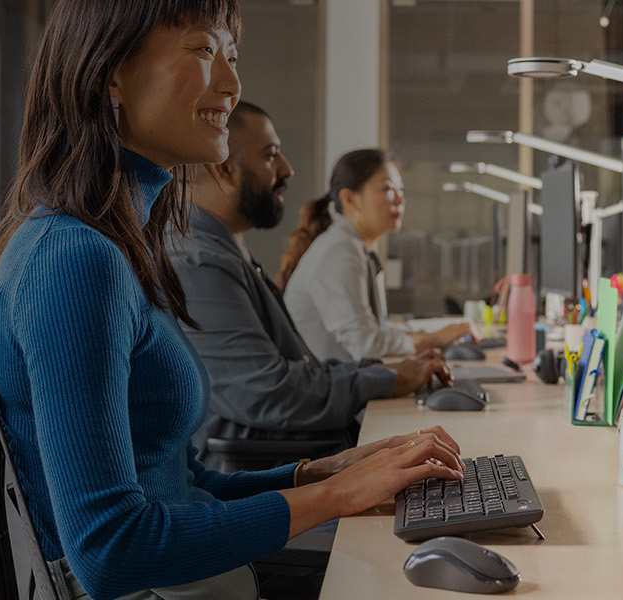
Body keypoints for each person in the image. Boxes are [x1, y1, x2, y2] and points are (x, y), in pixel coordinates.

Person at [0, 2, 462, 598]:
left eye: (231, 58)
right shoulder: (72, 257)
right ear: (110, 72)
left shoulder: (118, 247)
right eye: (204, 51)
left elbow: (180, 486)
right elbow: (110, 553)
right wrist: (337, 497)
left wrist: (322, 472)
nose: (233, 86)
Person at [171, 101, 448, 460]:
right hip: (267, 472)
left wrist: (385, 371)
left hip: (294, 454)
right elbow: (268, 394)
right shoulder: (200, 261)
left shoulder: (226, 251)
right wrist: (388, 379)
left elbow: (297, 370)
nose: (287, 168)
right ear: (223, 169)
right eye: (271, 156)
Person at [277, 150, 474, 362]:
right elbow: (365, 345)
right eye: (388, 188)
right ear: (349, 198)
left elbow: (372, 328)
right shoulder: (338, 252)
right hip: (327, 389)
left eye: (401, 189)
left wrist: (423, 336)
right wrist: (430, 339)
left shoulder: (355, 247)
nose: (400, 199)